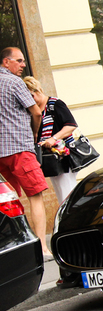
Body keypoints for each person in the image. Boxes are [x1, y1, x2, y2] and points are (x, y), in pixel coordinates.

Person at [0, 47, 52, 259]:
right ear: (6, 62)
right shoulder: (15, 82)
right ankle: (40, 248)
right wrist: (34, 132)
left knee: (9, 202)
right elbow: (37, 111)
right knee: (36, 196)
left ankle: (15, 248)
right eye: (19, 61)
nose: (22, 65)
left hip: (1, 153)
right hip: (20, 148)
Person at [23, 77, 78, 204]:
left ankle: (70, 220)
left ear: (36, 90)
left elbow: (71, 126)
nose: (30, 101)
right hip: (52, 159)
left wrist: (53, 139)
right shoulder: (35, 111)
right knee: (61, 193)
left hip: (63, 156)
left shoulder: (55, 104)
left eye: (31, 96)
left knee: (67, 192)